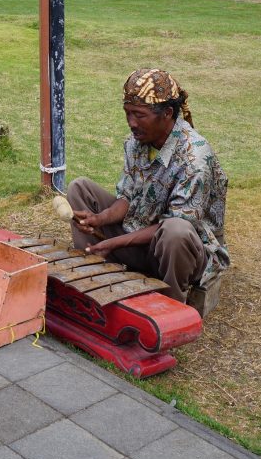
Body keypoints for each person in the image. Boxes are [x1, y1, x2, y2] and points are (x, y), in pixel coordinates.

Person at [66, 68, 229, 304]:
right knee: (79, 188)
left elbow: (179, 224)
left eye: (139, 115)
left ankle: (170, 304)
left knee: (176, 231)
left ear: (167, 114)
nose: (131, 123)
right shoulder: (136, 142)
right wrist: (100, 219)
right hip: (141, 236)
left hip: (183, 253)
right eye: (127, 113)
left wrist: (112, 242)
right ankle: (97, 278)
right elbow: (127, 197)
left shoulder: (196, 157)